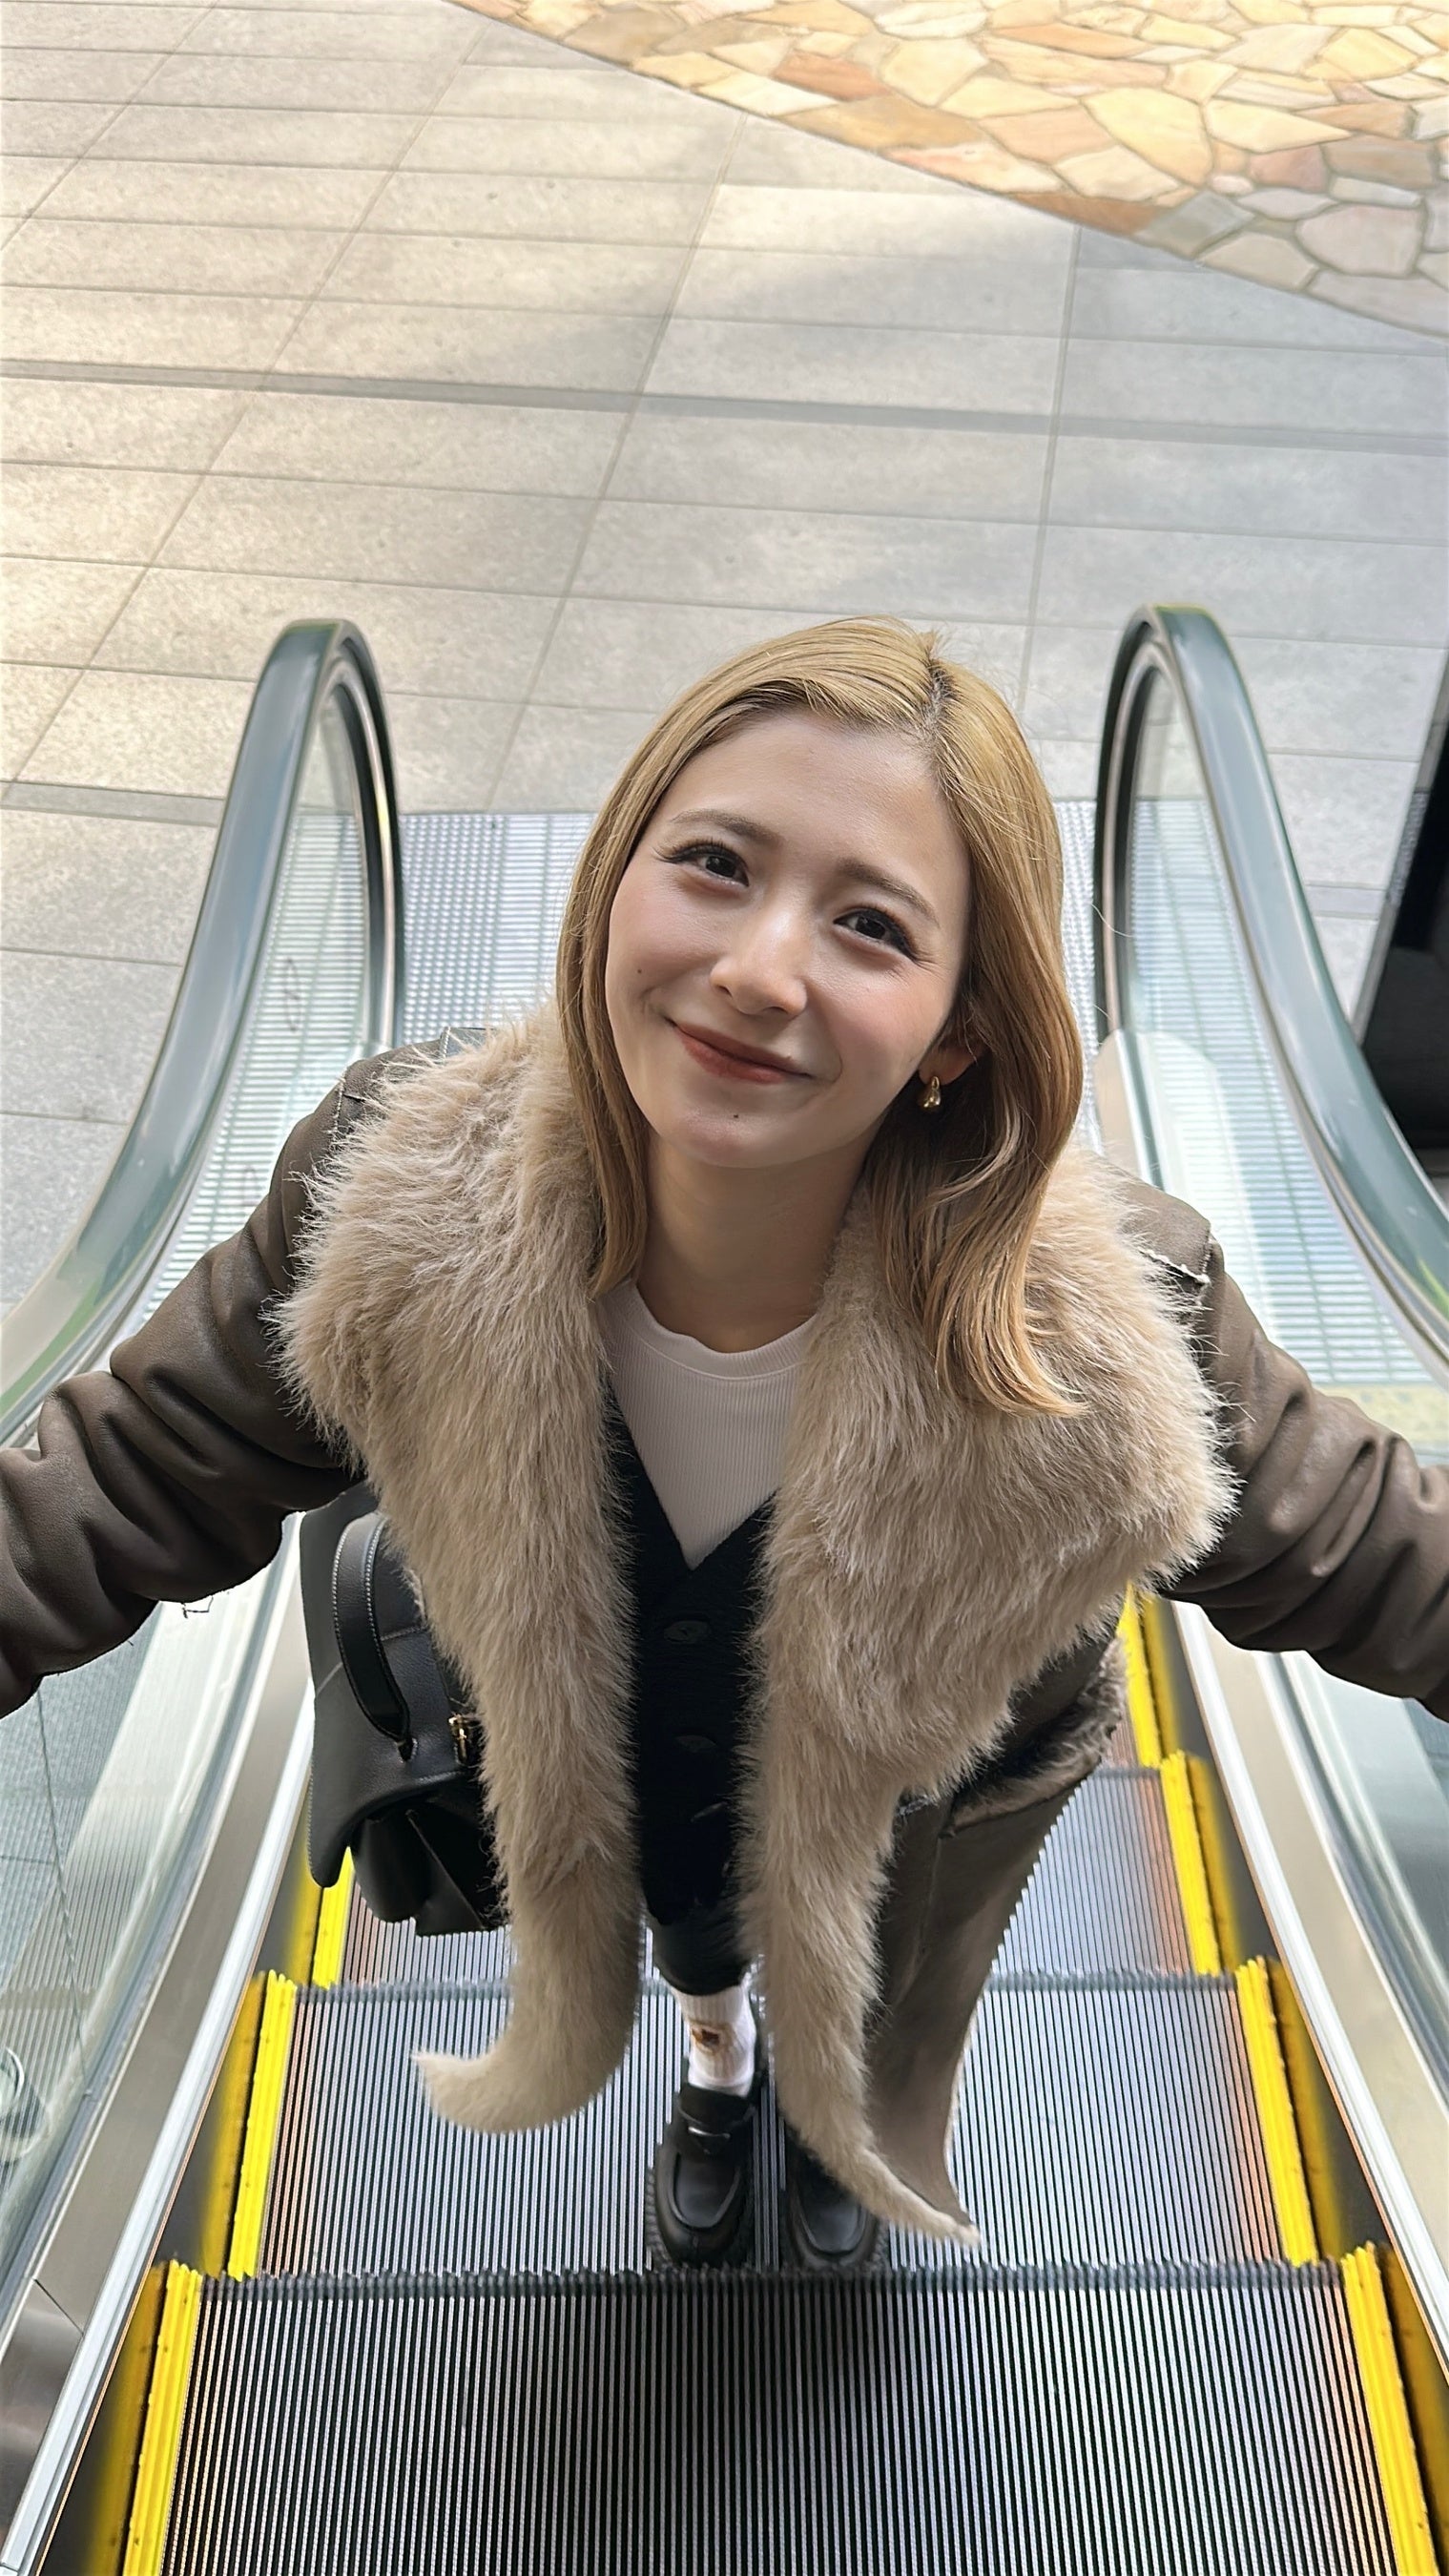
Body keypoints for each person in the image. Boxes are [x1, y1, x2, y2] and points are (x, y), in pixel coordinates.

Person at [3, 617, 1446, 2276]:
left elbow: (1377, 1551)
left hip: (926, 1811)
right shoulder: (398, 1195)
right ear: (615, 882)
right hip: (623, 1766)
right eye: (714, 864)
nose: (762, 968)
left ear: (958, 1032)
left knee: (886, 1991)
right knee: (696, 1933)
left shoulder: (1119, 1322)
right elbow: (126, 1474)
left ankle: (842, 2135)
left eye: (871, 925)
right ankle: (718, 2075)